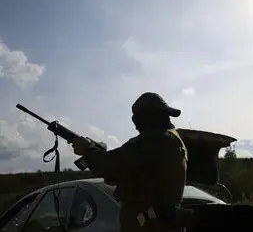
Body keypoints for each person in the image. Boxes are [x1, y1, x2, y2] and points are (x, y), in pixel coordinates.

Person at [71, 92, 189, 232]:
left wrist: (87, 149)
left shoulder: (154, 141)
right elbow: (125, 172)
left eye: (138, 117)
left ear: (150, 116)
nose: (135, 123)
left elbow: (108, 166)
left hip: (150, 226)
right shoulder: (172, 139)